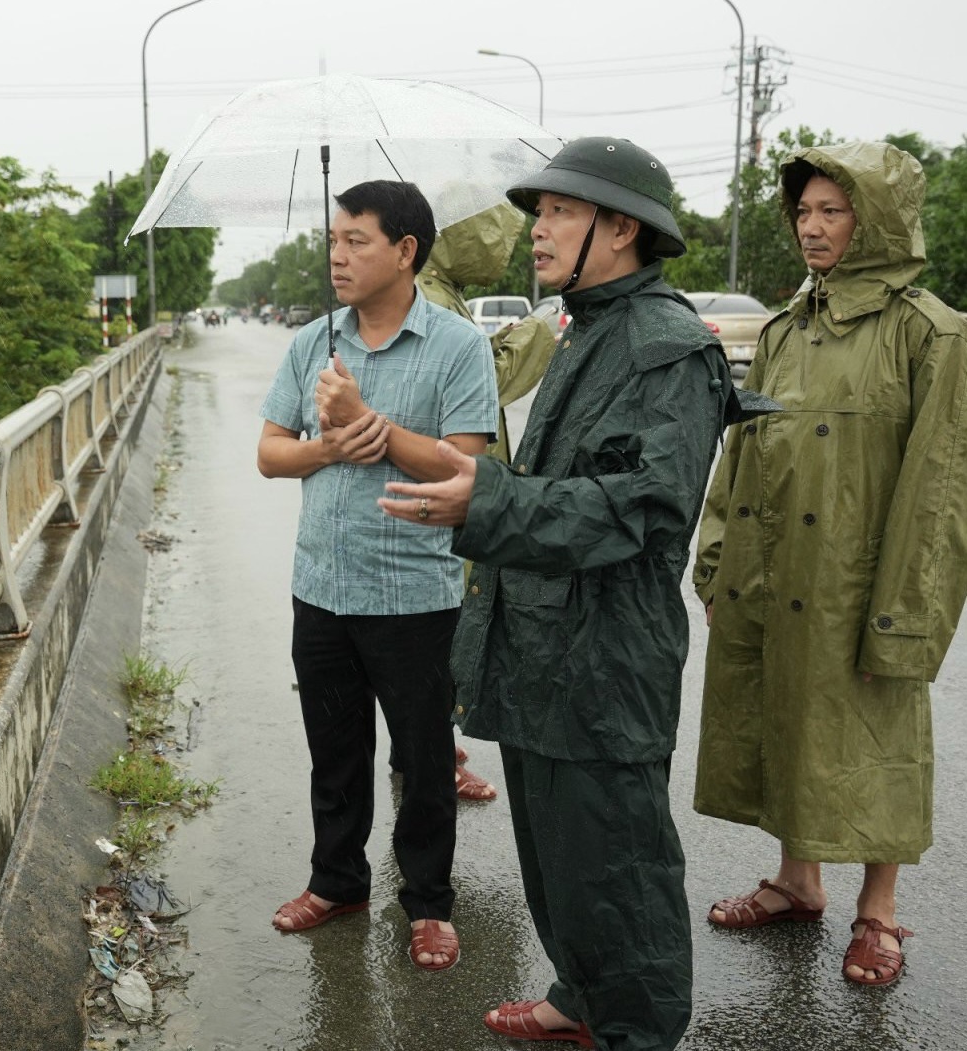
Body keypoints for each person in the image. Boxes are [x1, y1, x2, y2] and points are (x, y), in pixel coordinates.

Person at [378, 138, 768, 1049]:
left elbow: (638, 509)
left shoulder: (666, 347)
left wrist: (491, 498)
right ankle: (578, 994)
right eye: (537, 212)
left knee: (618, 866)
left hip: (606, 657)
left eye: (558, 212)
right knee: (558, 856)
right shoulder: (589, 326)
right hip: (547, 647)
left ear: (620, 227)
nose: (537, 230)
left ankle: (635, 1027)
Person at [692, 142, 967, 987]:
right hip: (780, 564)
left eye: (832, 212)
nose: (812, 228)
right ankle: (796, 879)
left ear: (874, 219)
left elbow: (942, 485)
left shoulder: (932, 332)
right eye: (804, 212)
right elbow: (742, 448)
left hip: (866, 579)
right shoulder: (783, 328)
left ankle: (877, 912)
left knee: (874, 734)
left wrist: (910, 608)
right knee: (791, 718)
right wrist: (715, 554)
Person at [255, 180, 496, 971]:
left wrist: (370, 424)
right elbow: (269, 453)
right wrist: (327, 445)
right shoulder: (312, 343)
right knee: (335, 750)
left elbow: (471, 464)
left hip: (415, 591)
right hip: (321, 584)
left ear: (406, 250)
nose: (337, 254)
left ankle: (429, 903)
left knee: (425, 759)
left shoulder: (458, 344)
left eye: (357, 240)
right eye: (334, 238)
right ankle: (337, 881)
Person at [415, 202, 560, 803]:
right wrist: (540, 332)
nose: (504, 254)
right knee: (443, 628)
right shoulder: (429, 295)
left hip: (445, 483)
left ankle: (430, 745)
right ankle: (431, 756)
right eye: (493, 238)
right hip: (442, 486)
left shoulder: (433, 289)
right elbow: (481, 379)